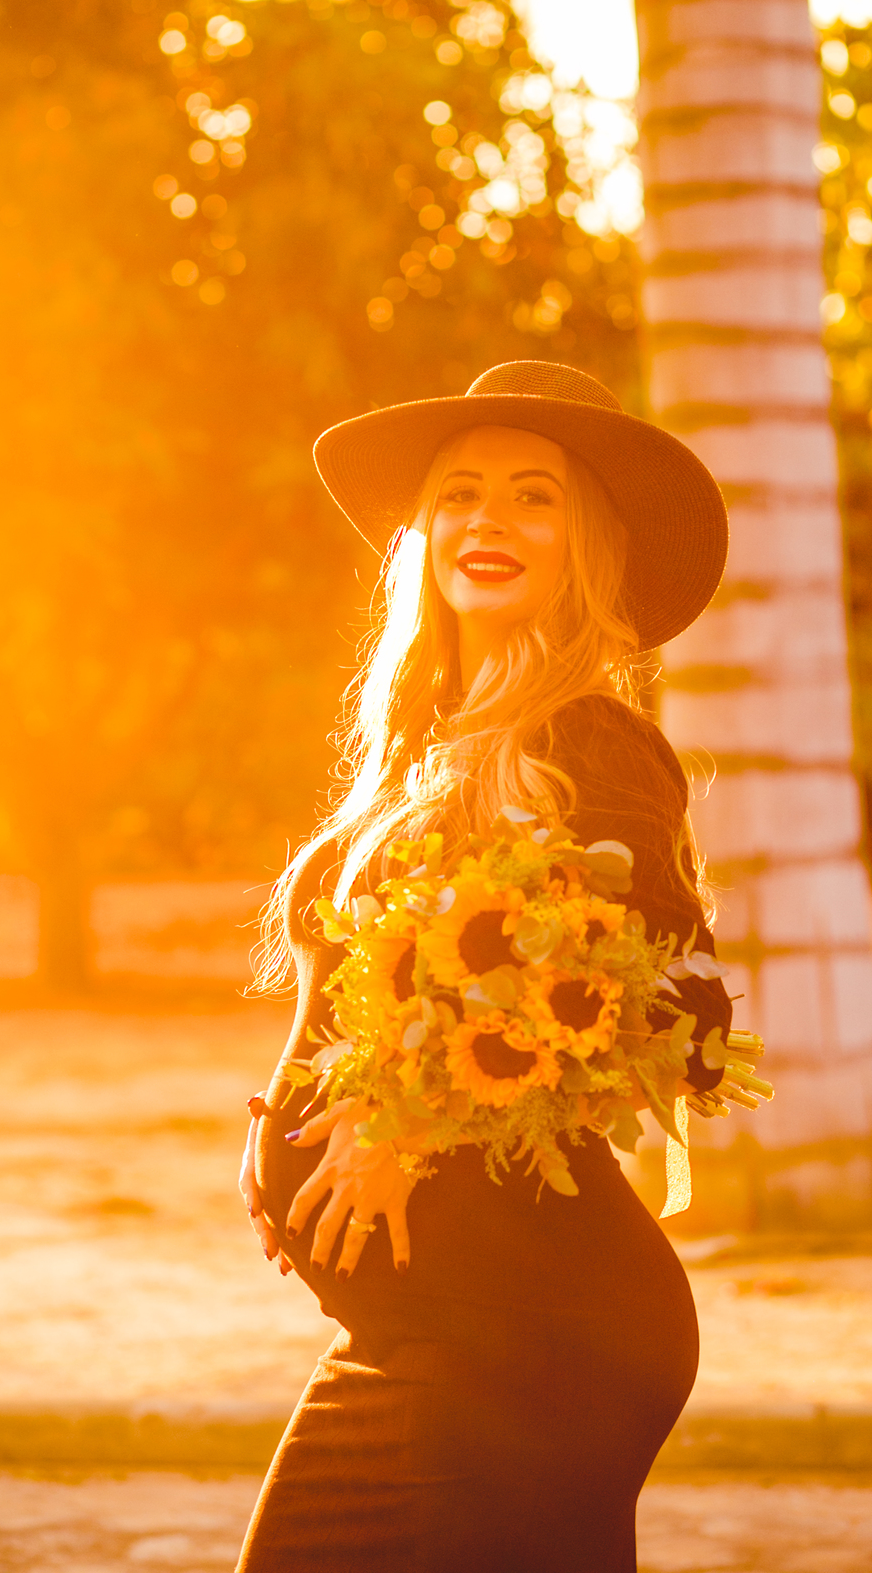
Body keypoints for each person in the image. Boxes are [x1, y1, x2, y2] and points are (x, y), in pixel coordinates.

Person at [236, 360, 733, 1572]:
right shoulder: (427, 751)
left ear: (591, 546)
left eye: (532, 497)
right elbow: (378, 994)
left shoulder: (591, 745)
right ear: (423, 533)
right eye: (460, 493)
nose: (487, 522)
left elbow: (654, 1003)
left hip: (534, 1333)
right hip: (426, 1332)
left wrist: (403, 1122)